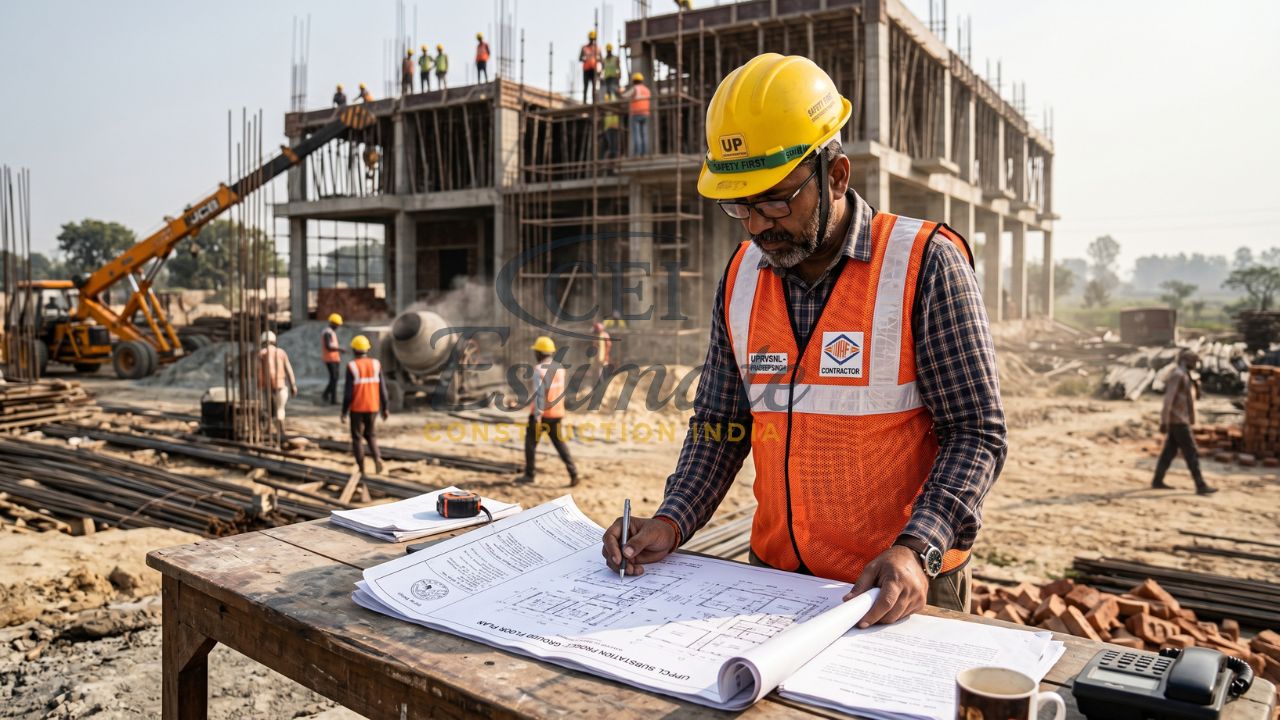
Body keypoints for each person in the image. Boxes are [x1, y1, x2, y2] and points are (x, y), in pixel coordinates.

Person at [601, 54, 1006, 628]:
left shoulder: (923, 264)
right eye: (740, 205)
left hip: (895, 585)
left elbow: (976, 432)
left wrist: (920, 547)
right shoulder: (741, 276)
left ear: (836, 175)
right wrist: (672, 519)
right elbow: (721, 423)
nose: (757, 224)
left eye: (775, 200)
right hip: (773, 577)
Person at [517, 336, 579, 487]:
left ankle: (529, 475)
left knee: (530, 444)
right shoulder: (560, 368)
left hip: (542, 414)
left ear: (539, 353)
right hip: (557, 413)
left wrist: (537, 416)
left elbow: (540, 395)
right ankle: (574, 473)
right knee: (560, 443)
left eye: (536, 351)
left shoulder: (539, 370)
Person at [1153, 349, 1217, 494]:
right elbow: (1168, 399)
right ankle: (1200, 485)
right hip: (1178, 421)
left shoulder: (1186, 375)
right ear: (1184, 361)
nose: (1195, 364)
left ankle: (1157, 480)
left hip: (1181, 420)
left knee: (1169, 452)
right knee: (1191, 452)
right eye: (1193, 361)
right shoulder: (1177, 375)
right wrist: (1164, 421)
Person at [341, 334, 388, 476]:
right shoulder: (376, 364)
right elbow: (383, 389)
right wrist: (385, 408)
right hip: (373, 407)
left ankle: (361, 468)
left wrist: (344, 412)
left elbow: (348, 393)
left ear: (354, 350)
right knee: (370, 434)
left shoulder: (352, 366)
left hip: (357, 408)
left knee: (357, 438)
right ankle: (377, 458)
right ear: (367, 349)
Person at [258, 331, 298, 439]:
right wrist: (293, 385)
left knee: (268, 410)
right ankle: (281, 432)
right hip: (280, 386)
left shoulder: (262, 353)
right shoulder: (281, 352)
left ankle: (267, 431)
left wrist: (259, 386)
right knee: (280, 409)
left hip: (266, 387)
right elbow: (289, 370)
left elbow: (258, 371)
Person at [623, 72, 650, 155]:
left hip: (636, 113)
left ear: (634, 81)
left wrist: (620, 93)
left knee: (637, 134)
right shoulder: (647, 90)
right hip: (645, 113)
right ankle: (644, 153)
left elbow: (625, 96)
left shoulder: (635, 88)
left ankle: (637, 153)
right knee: (644, 134)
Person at [321, 313, 343, 404]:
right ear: (333, 323)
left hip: (335, 358)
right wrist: (340, 349)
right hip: (330, 359)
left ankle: (326, 394)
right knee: (334, 378)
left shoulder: (331, 332)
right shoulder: (327, 332)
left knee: (335, 379)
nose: (338, 326)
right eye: (337, 324)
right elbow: (328, 346)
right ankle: (332, 399)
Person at [579, 31, 600, 104]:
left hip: (594, 70)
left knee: (594, 87)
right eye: (591, 39)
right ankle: (584, 101)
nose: (592, 41)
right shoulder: (584, 48)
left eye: (593, 39)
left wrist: (598, 60)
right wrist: (583, 59)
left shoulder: (597, 48)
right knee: (586, 86)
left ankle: (594, 102)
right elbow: (580, 58)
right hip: (586, 70)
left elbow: (601, 59)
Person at [601, 90, 622, 159]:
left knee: (613, 145)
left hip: (612, 126)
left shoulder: (611, 100)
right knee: (611, 145)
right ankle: (612, 158)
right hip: (609, 126)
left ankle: (613, 158)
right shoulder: (608, 100)